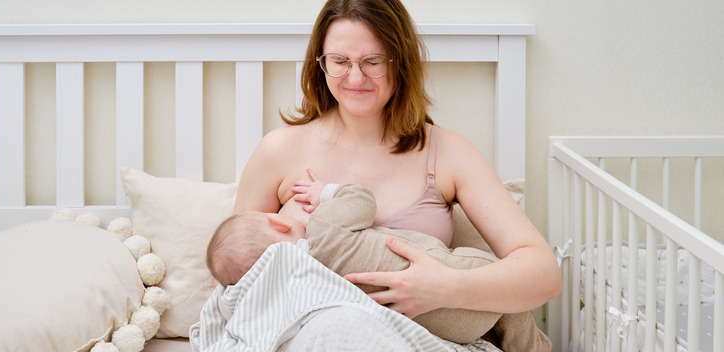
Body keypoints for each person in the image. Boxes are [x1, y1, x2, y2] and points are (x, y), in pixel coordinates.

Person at [233, 0, 561, 322]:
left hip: (422, 348)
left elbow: (543, 275)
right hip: (314, 342)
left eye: (373, 61)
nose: (355, 77)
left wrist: (447, 287)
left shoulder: (447, 152)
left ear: (400, 63)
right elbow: (235, 275)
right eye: (339, 61)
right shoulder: (279, 150)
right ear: (320, 62)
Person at [208, 172, 551, 352]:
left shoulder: (300, 292)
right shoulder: (325, 229)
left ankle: (507, 339)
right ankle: (526, 347)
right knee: (505, 290)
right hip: (470, 276)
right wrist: (325, 192)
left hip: (448, 334)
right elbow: (361, 201)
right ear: (277, 222)